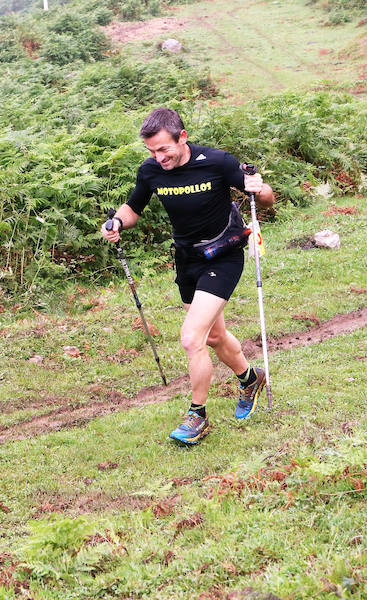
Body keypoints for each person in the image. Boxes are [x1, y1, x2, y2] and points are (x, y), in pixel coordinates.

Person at [100, 107, 275, 445]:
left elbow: (264, 200)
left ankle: (197, 416)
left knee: (192, 337)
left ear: (182, 138)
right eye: (152, 151)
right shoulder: (150, 171)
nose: (159, 157)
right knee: (213, 337)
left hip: (223, 255)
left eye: (164, 148)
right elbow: (133, 209)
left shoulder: (218, 162)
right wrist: (117, 223)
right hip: (187, 260)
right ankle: (250, 378)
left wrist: (260, 187)